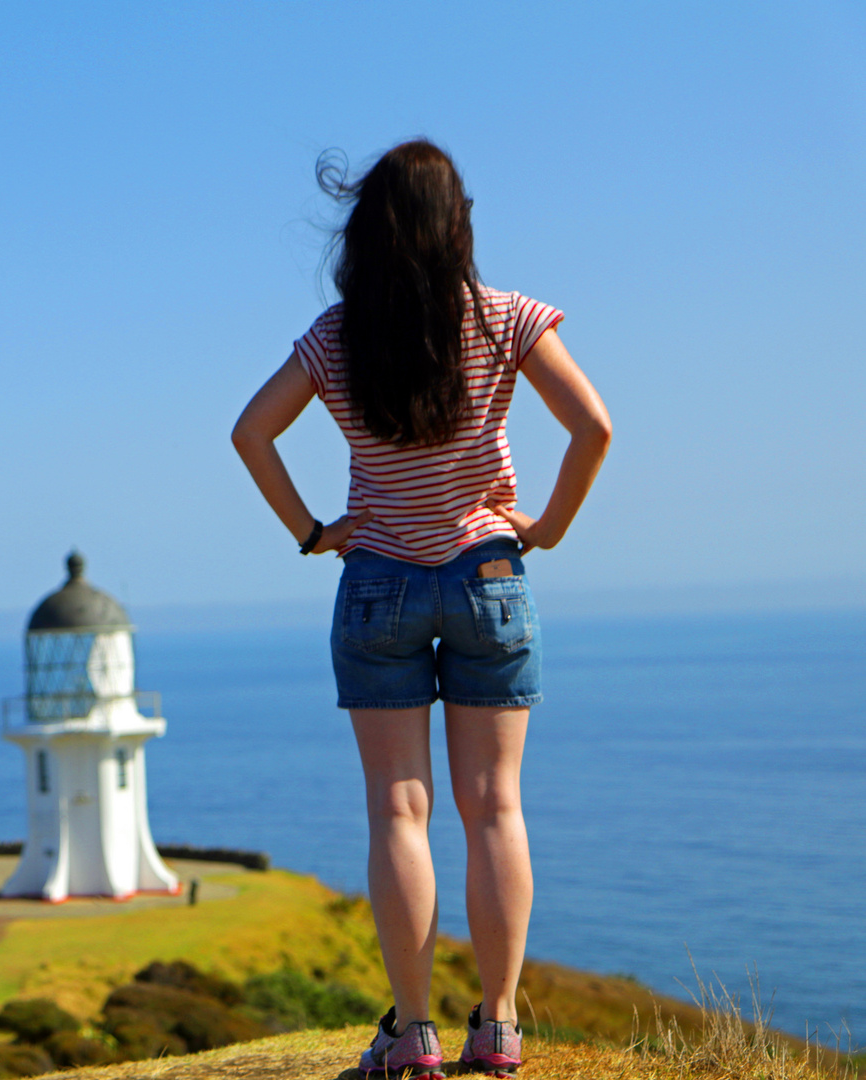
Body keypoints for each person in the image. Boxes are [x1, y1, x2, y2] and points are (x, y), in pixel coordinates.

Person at [231, 140, 610, 1079]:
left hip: (378, 584)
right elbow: (594, 426)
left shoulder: (337, 334)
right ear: (458, 224)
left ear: (369, 229)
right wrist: (549, 526)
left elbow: (249, 432)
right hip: (489, 575)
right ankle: (502, 1026)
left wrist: (317, 532)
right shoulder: (509, 317)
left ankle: (412, 1035)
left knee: (399, 813)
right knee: (495, 809)